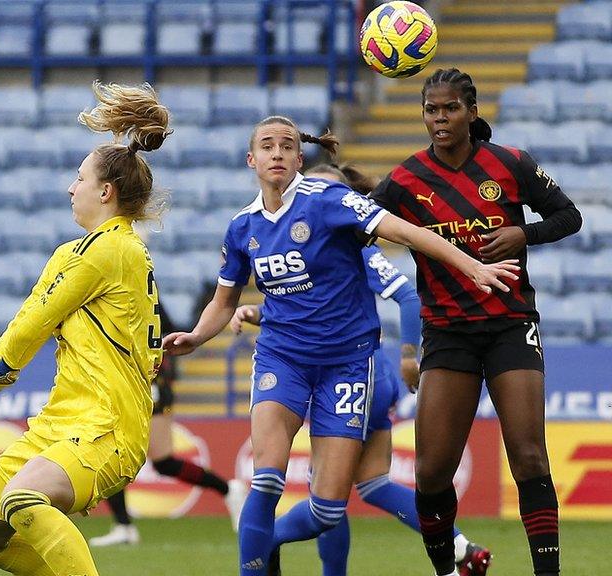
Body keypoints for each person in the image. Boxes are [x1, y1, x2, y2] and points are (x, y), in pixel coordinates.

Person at [161, 114, 519, 576]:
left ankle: (279, 545)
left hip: (347, 365)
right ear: (251, 160)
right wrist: (196, 335)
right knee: (265, 480)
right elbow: (223, 301)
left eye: (287, 146)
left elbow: (407, 233)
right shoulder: (242, 227)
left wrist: (471, 265)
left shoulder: (327, 199)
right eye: (267, 146)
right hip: (282, 359)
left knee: (328, 509)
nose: (277, 153)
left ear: (299, 159)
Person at [0, 81, 169, 576]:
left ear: (105, 192)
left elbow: (30, 328)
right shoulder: (95, 250)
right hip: (64, 420)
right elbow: (32, 321)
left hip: (105, 426)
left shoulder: (105, 250)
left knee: (22, 497)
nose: (70, 188)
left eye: (79, 178)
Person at [230, 162, 492, 576]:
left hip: (352, 371)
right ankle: (459, 546)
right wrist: (259, 312)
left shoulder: (358, 248)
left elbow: (408, 297)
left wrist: (409, 355)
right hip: (369, 373)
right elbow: (313, 306)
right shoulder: (318, 249)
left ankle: (270, 541)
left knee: (326, 494)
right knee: (372, 484)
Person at [369, 68, 582, 576]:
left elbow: (569, 216)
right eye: (431, 110)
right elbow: (359, 226)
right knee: (431, 472)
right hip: (447, 332)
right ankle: (449, 569)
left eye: (450, 108)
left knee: (529, 457)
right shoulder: (405, 179)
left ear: (472, 111)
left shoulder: (510, 163)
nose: (440, 118)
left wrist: (524, 234)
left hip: (511, 324)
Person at [89, 306, 247, 547]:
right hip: (124, 382)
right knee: (113, 455)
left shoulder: (141, 296)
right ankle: (123, 526)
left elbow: (166, 335)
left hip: (151, 384)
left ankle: (228, 489)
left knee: (162, 462)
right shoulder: (113, 299)